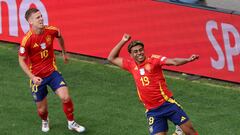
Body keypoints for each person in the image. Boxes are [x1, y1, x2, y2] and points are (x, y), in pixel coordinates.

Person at [107, 33, 199, 135]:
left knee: (190, 132)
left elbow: (174, 61)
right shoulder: (131, 65)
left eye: (141, 50)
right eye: (135, 51)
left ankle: (179, 131)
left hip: (167, 104)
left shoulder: (154, 60)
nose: (139, 53)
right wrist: (123, 40)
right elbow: (111, 58)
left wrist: (188, 59)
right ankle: (178, 133)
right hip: (153, 111)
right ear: (131, 55)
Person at [18, 8, 85, 133]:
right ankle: (45, 120)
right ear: (30, 21)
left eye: (41, 16)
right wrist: (32, 77)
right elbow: (21, 60)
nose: (41, 19)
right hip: (37, 78)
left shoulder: (51, 30)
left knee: (65, 97)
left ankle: (71, 122)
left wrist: (64, 53)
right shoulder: (27, 40)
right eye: (37, 17)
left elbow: (59, 36)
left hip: (52, 72)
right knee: (42, 110)